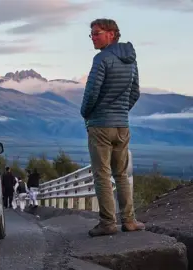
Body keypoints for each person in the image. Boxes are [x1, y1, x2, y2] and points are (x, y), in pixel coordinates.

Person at [81, 18, 145, 237]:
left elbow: (91, 93)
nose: (93, 38)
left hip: (101, 125)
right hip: (122, 125)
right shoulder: (131, 60)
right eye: (92, 34)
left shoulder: (102, 59)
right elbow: (135, 92)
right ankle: (129, 221)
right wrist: (120, 111)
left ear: (111, 33)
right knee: (121, 174)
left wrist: (87, 113)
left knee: (102, 174)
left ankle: (108, 223)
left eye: (97, 33)